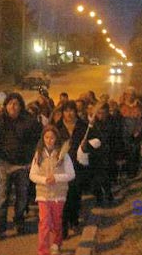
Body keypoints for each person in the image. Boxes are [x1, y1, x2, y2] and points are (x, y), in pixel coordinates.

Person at [0, 92, 42, 239]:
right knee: (2, 197)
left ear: (21, 106)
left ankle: (19, 221)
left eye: (16, 104)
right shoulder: (0, 120)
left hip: (22, 165)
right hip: (5, 163)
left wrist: (32, 155)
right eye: (10, 103)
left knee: (22, 197)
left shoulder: (29, 121)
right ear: (5, 106)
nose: (13, 106)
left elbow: (38, 137)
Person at [30, 125, 75, 255]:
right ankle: (43, 250)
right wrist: (44, 180)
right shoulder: (38, 154)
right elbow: (32, 175)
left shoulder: (64, 155)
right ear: (43, 138)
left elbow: (71, 174)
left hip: (58, 194)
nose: (49, 140)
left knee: (56, 221)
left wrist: (56, 178)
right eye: (47, 137)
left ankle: (57, 242)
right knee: (44, 222)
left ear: (56, 139)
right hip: (43, 194)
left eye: (52, 138)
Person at [55, 101, 88, 239]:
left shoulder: (83, 126)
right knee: (64, 196)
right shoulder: (57, 127)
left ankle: (74, 220)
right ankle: (64, 226)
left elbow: (93, 142)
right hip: (62, 166)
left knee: (75, 194)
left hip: (78, 165)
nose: (69, 113)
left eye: (71, 110)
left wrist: (85, 146)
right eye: (66, 111)